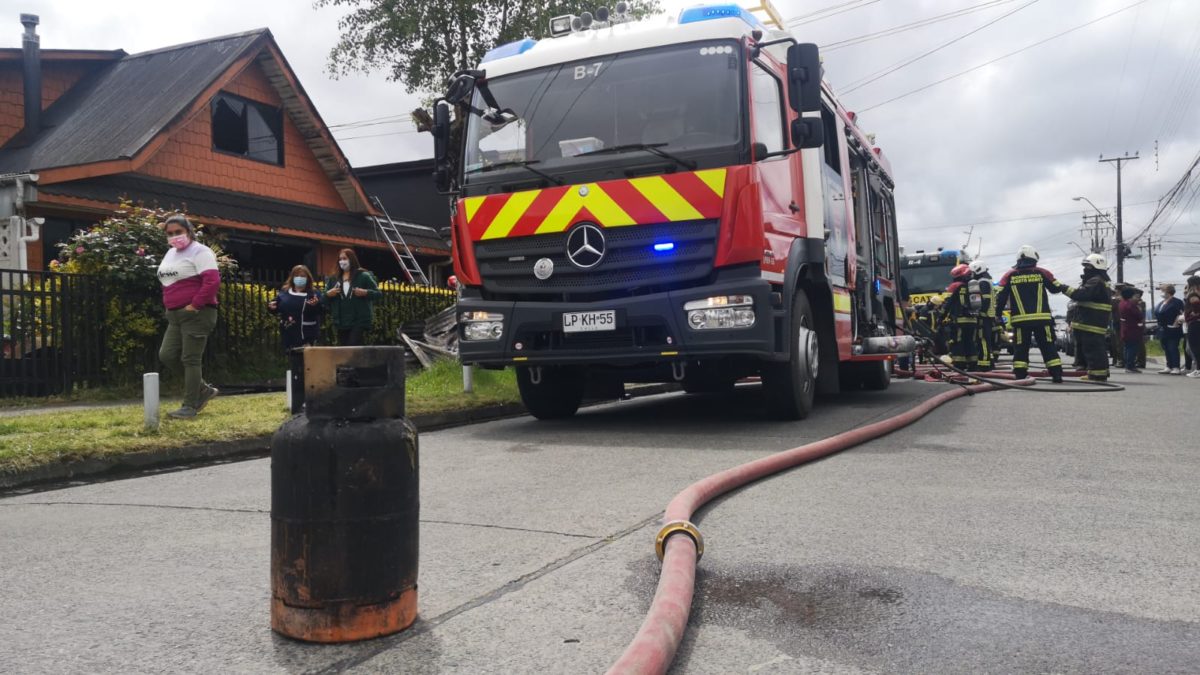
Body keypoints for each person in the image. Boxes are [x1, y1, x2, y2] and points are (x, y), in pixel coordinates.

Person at [156, 214, 220, 419]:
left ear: (189, 231)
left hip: (197, 313)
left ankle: (190, 406)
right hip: (175, 315)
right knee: (166, 355)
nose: (174, 237)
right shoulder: (170, 253)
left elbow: (212, 282)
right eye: (170, 233)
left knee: (190, 359)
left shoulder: (201, 251)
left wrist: (195, 305)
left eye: (178, 232)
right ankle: (203, 389)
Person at [994, 244, 1065, 382]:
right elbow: (1055, 288)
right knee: (1048, 346)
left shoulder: (1009, 276)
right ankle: (1056, 375)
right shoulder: (1042, 273)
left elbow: (1000, 297)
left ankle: (1020, 375)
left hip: (1021, 321)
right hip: (1042, 320)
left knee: (1021, 348)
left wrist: (997, 314)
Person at [1057, 253, 1113, 381]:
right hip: (1089, 322)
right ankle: (1093, 371)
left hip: (1091, 322)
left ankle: (1097, 374)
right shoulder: (1096, 280)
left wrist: (1063, 287)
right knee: (1090, 348)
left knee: (1093, 349)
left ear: (1096, 266)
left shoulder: (1096, 281)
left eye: (1088, 266)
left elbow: (1081, 295)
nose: (1085, 269)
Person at [324, 248, 381, 346]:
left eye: (345, 258)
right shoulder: (333, 278)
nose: (342, 261)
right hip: (341, 321)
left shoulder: (363, 276)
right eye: (340, 259)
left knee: (353, 345)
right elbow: (323, 298)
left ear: (351, 259)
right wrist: (328, 294)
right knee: (344, 349)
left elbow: (378, 294)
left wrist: (366, 292)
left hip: (359, 320)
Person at [268, 265, 323, 353]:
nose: (299, 278)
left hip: (306, 336)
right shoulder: (285, 292)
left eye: (302, 276)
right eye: (297, 276)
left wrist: (316, 305)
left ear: (308, 278)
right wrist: (272, 307)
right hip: (288, 334)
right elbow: (276, 306)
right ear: (292, 277)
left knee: (305, 363)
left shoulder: (314, 293)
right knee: (293, 361)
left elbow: (322, 310)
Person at [943, 263, 981, 371]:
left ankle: (960, 365)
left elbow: (947, 304)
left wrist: (941, 318)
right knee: (970, 342)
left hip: (959, 321)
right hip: (972, 320)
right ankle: (973, 364)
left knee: (958, 342)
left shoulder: (955, 287)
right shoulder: (973, 287)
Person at [969, 259, 997, 370]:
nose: (971, 274)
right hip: (988, 316)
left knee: (983, 340)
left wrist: (979, 312)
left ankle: (984, 364)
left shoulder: (983, 282)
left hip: (984, 316)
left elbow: (985, 300)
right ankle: (990, 362)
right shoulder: (987, 280)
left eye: (972, 272)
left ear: (977, 269)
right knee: (986, 340)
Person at [1154, 284, 1185, 374]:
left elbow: (1181, 314)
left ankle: (1176, 367)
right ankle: (1169, 365)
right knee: (1166, 347)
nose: (1162, 292)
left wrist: (1176, 322)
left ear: (1169, 291)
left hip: (1173, 328)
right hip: (1162, 328)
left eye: (1163, 290)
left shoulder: (1176, 302)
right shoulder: (1161, 302)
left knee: (1172, 347)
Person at [1118, 287, 1144, 373]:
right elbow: (1138, 315)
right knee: (1132, 348)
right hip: (1132, 329)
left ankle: (1128, 365)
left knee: (1127, 348)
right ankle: (1130, 366)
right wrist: (1139, 309)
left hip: (1125, 328)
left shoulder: (1121, 303)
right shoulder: (1130, 305)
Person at [1184, 276, 1200, 377]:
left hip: (1194, 323)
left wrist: (1195, 313)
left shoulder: (1193, 294)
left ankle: (1198, 369)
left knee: (1195, 347)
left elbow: (1196, 307)